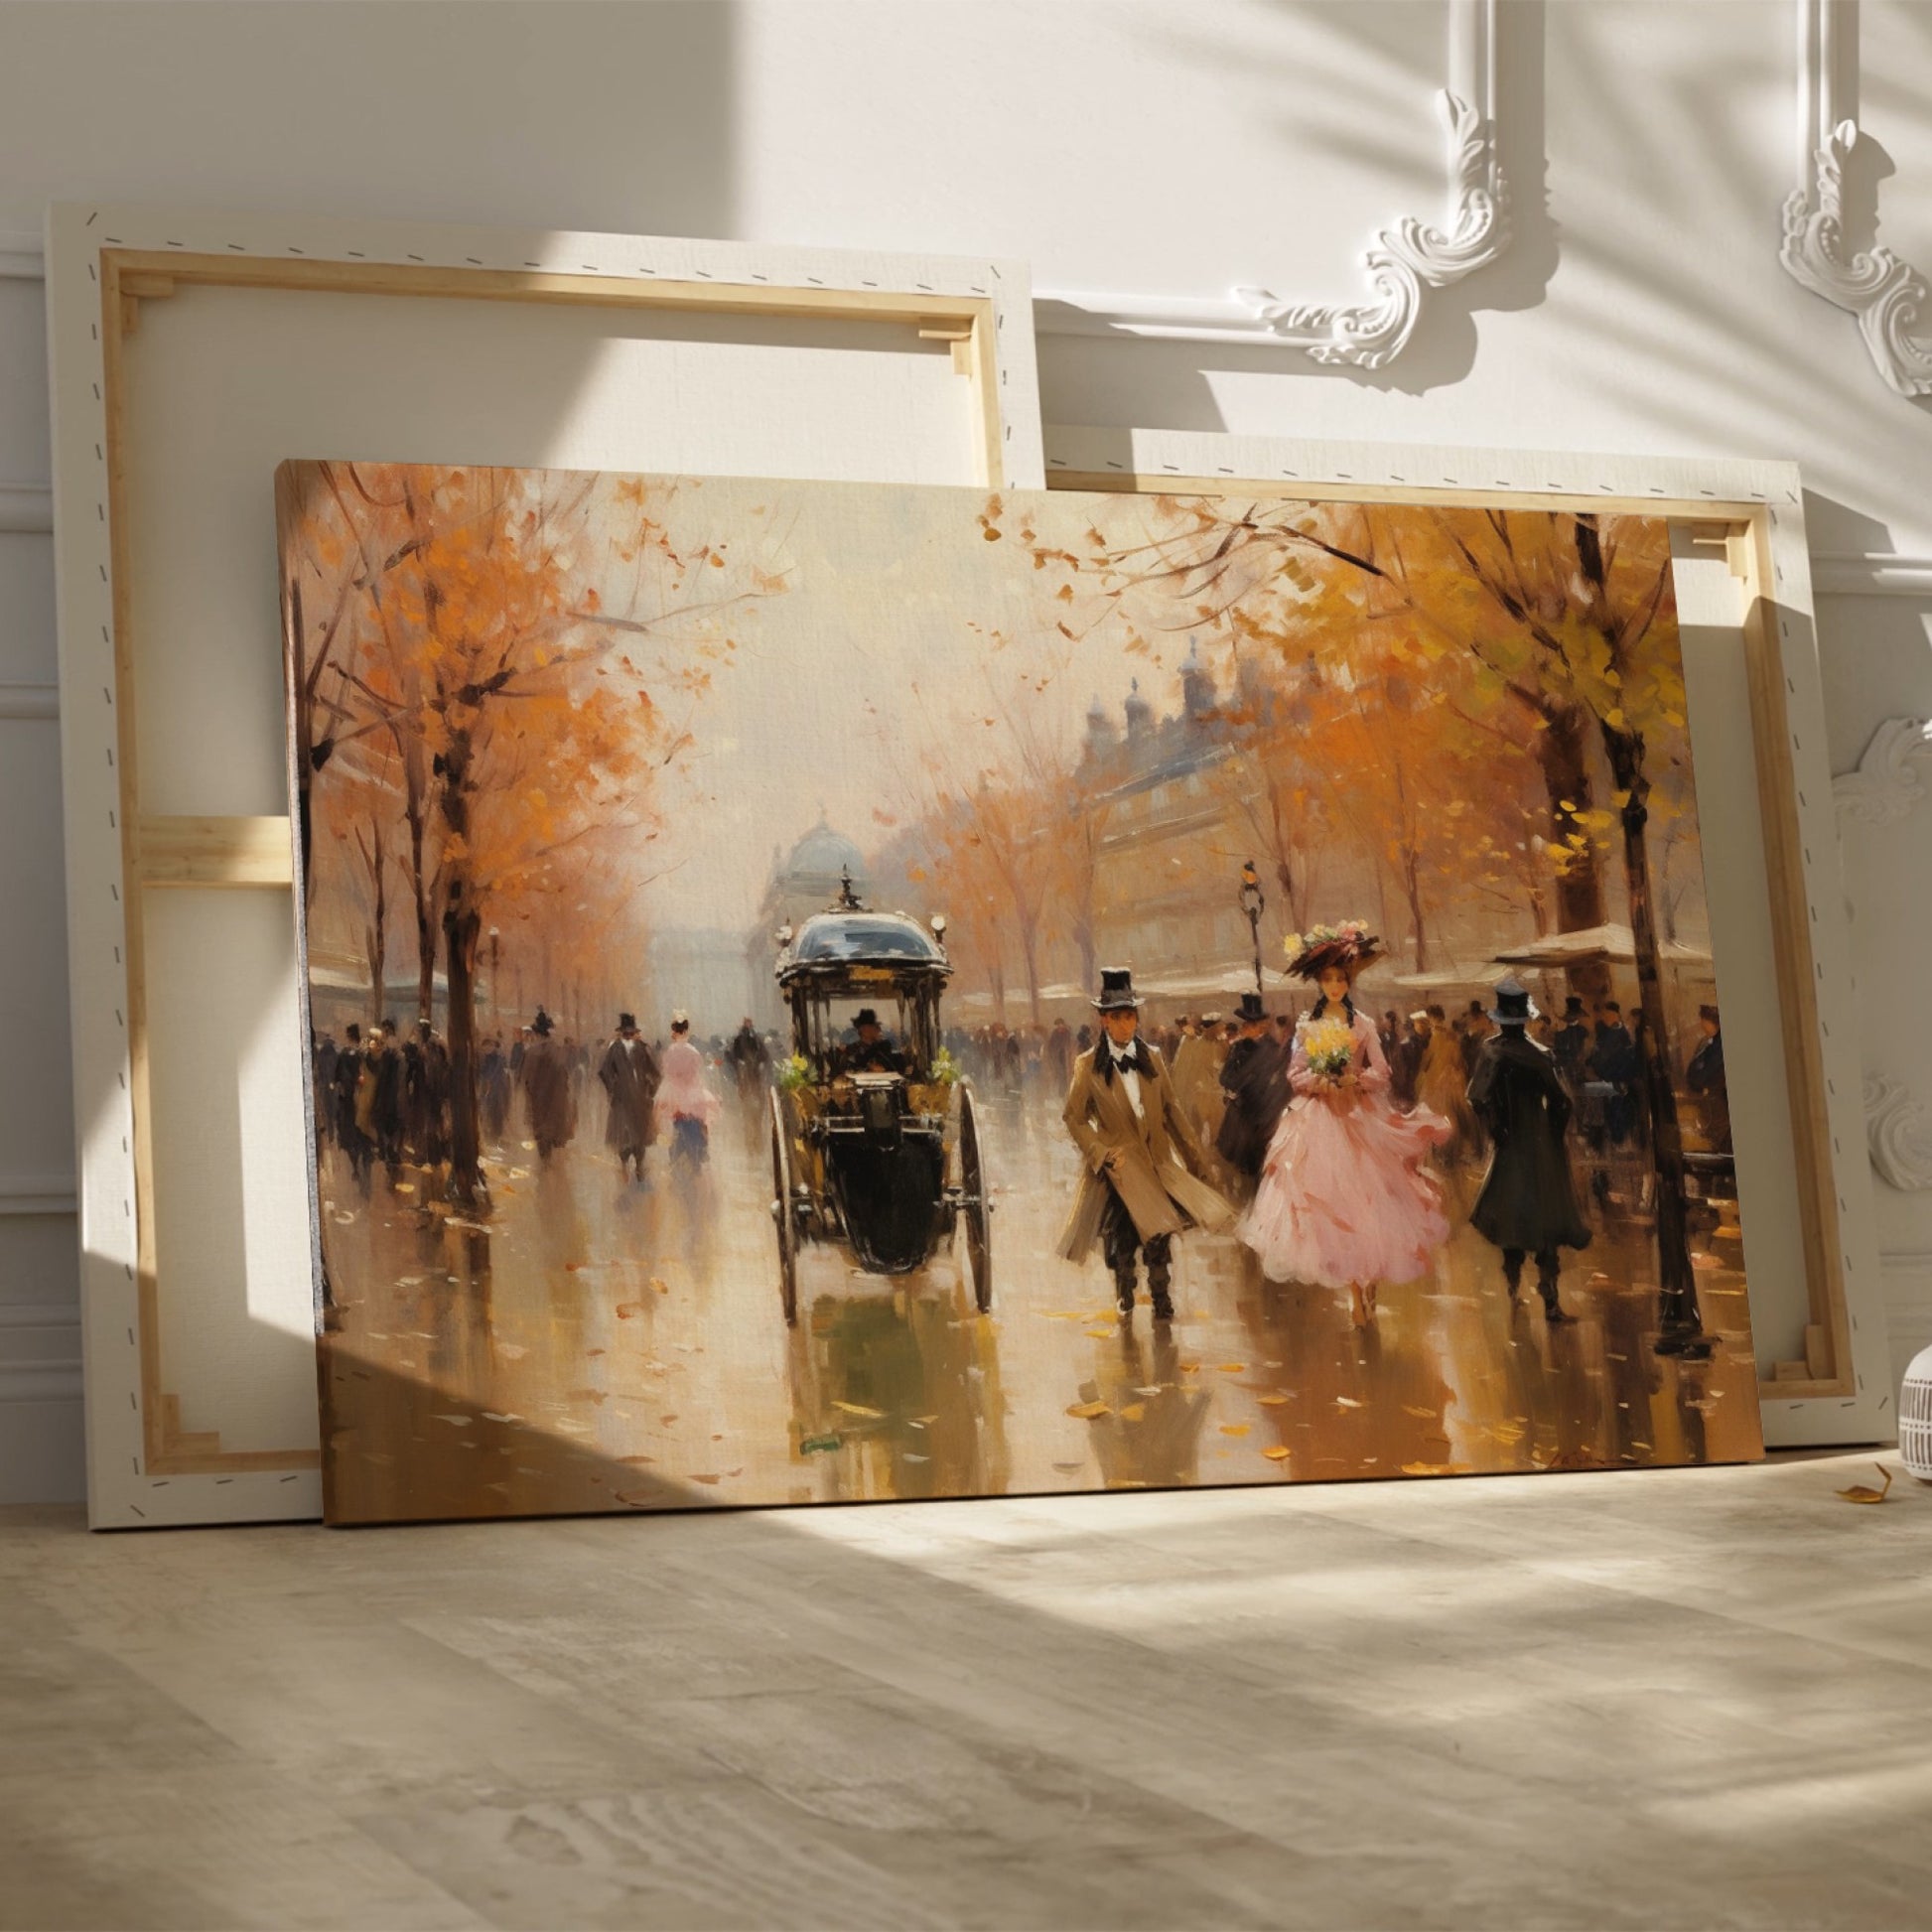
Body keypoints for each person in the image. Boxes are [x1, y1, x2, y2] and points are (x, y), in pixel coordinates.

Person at [1238, 921, 1450, 1327]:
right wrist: (1320, 1081)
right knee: (1336, 1207)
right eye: (1328, 979)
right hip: (1320, 1119)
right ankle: (1356, 1290)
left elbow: (1383, 1072)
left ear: (1349, 982)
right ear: (1319, 982)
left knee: (1370, 1203)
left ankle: (1369, 1283)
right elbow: (1294, 1074)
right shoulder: (1306, 1026)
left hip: (1357, 1116)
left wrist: (1356, 1079)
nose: (1335, 986)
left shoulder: (1363, 1024)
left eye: (1341, 979)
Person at [1057, 967, 1232, 1321]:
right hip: (1119, 1169)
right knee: (1122, 1237)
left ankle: (1161, 1296)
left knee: (1159, 1235)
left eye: (1130, 1016)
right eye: (1117, 1018)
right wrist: (1100, 1152)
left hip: (1156, 1164)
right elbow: (1074, 1118)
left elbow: (1173, 1113)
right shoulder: (1088, 1065)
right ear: (1104, 1021)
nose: (1126, 1025)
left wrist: (1196, 1164)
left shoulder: (1152, 1057)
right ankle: (1124, 1288)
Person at [1466, 980, 1591, 1322]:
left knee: (1511, 1216)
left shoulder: (1491, 1051)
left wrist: (1496, 1127)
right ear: (1524, 1020)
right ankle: (1550, 1302)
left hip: (1509, 1145)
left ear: (1499, 1020)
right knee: (1547, 1219)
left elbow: (1476, 1097)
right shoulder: (1539, 1055)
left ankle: (1512, 1289)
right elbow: (1562, 1102)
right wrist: (1551, 1131)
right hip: (1539, 1144)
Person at [1215, 992, 1289, 1193]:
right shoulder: (1238, 1048)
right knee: (1243, 1162)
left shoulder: (1273, 1049)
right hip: (1243, 1114)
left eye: (1248, 1024)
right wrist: (1242, 1078)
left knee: (1264, 1163)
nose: (1243, 1028)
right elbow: (1225, 1078)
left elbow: (1282, 1084)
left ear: (1259, 1025)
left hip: (1267, 1114)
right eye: (1244, 1023)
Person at [598, 1012, 661, 1181]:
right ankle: (625, 1164)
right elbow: (604, 1071)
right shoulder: (615, 1048)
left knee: (639, 1134)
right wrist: (613, 1088)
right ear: (623, 1032)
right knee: (624, 1134)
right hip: (623, 1099)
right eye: (627, 1032)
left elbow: (655, 1073)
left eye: (630, 1032)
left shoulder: (641, 1048)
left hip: (640, 1098)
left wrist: (651, 1091)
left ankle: (639, 1166)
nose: (629, 1035)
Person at [656, 1012, 723, 1170]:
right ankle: (703, 1149)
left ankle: (675, 1153)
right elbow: (696, 1070)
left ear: (674, 1032)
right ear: (686, 1032)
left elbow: (668, 1071)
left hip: (675, 1091)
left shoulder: (670, 1051)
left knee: (672, 1120)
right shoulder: (693, 1051)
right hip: (692, 1090)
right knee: (702, 1120)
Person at [1415, 1005, 1479, 1166]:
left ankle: (1447, 1153)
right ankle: (1449, 1152)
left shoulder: (1438, 1035)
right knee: (1449, 1116)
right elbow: (1457, 1060)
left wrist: (1424, 1070)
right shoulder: (1449, 1035)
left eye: (1429, 1018)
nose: (1428, 1022)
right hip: (1447, 1079)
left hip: (1440, 1081)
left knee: (1444, 1116)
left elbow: (1429, 1060)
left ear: (1434, 1018)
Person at [519, 1008, 576, 1161]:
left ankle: (546, 1162)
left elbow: (527, 1079)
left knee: (542, 1132)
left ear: (537, 1034)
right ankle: (549, 1161)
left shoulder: (531, 1053)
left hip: (539, 1100)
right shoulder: (558, 1051)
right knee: (552, 1130)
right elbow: (564, 1076)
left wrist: (530, 1096)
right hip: (555, 1099)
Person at [1589, 1001, 1641, 1148]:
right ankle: (1614, 1140)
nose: (1603, 1016)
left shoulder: (1622, 1034)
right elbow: (1599, 1053)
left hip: (1618, 1079)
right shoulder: (1605, 1031)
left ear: (1614, 1015)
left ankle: (1620, 1141)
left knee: (1618, 1112)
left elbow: (1627, 1059)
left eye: (1606, 1013)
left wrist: (1620, 1080)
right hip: (1606, 1078)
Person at [333, 1023, 372, 1188]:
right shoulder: (363, 1054)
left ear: (349, 1036)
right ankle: (362, 1164)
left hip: (347, 1101)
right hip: (361, 1099)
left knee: (348, 1135)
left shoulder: (343, 1054)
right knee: (361, 1135)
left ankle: (355, 1166)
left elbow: (336, 1078)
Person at [1686, 1003, 1729, 1152]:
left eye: (1702, 1019)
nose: (1700, 1023)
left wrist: (1700, 1081)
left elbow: (1706, 1072)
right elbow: (1694, 1068)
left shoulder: (1720, 1044)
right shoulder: (1706, 1042)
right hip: (1708, 1098)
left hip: (1717, 1099)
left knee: (1718, 1138)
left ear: (1709, 1021)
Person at [842, 1007, 905, 1075]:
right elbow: (849, 1068)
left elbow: (897, 1065)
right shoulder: (852, 1049)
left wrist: (885, 1068)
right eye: (874, 1026)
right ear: (863, 1029)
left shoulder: (883, 1046)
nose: (879, 1029)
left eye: (877, 1026)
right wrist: (868, 1066)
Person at [727, 1017, 769, 1101]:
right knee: (743, 1080)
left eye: (749, 1025)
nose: (748, 1028)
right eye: (746, 1025)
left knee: (757, 1082)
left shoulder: (756, 1038)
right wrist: (738, 1062)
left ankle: (755, 1095)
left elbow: (762, 1052)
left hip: (754, 1065)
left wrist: (759, 1061)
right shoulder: (739, 1039)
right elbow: (734, 1053)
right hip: (744, 1065)